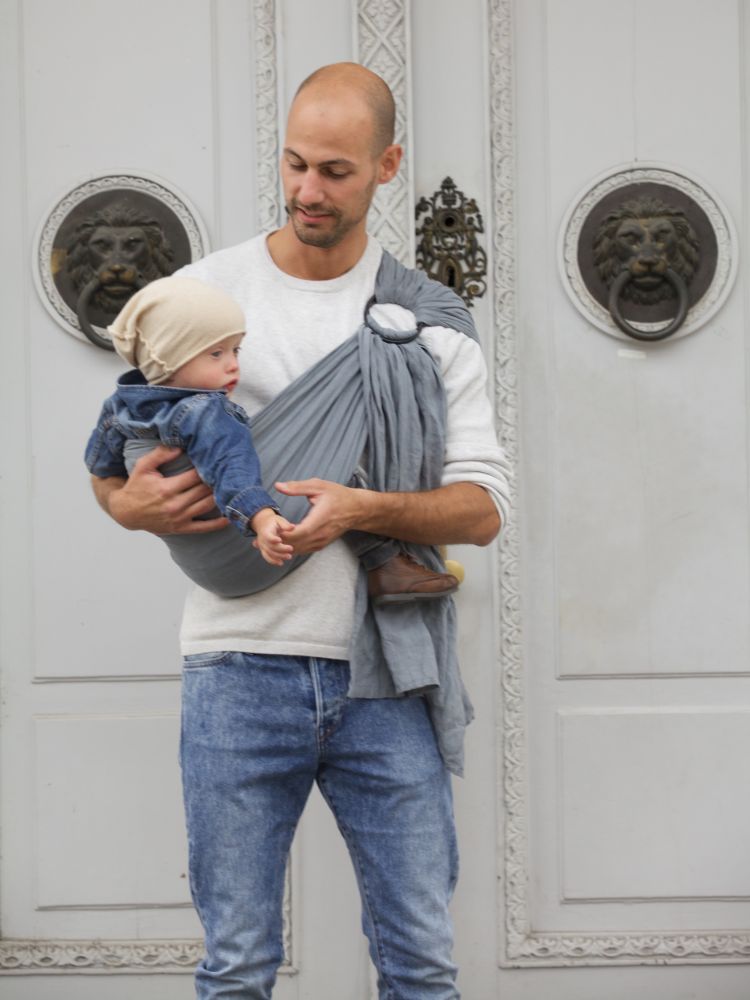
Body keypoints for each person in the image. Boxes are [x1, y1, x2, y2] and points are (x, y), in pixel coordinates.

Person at [90, 61, 511, 1000]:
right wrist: (128, 505)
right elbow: (112, 456)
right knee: (236, 967)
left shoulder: (426, 324)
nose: (306, 191)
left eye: (334, 170)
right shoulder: (205, 293)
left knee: (421, 965)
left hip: (386, 679)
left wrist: (364, 510)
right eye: (293, 165)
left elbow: (482, 509)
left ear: (387, 165)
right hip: (237, 668)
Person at [85, 275, 461, 600]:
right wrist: (263, 520)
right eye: (216, 353)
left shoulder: (121, 405)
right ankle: (383, 559)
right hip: (247, 546)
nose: (233, 365)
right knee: (335, 464)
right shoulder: (210, 412)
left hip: (201, 565)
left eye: (236, 350)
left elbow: (100, 465)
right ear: (169, 357)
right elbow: (233, 471)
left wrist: (117, 494)